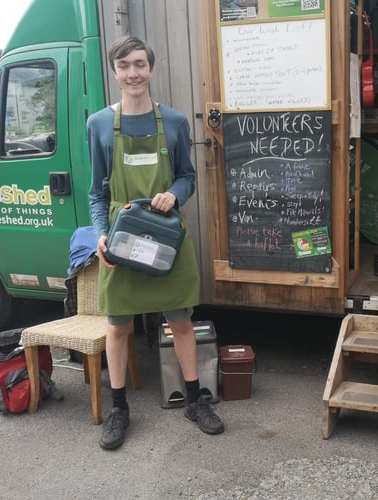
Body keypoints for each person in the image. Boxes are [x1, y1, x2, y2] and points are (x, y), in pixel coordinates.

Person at [87, 35, 224, 450]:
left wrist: (175, 195)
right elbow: (97, 192)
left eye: (140, 64)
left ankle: (194, 400)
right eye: (125, 65)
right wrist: (100, 234)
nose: (133, 73)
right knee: (118, 328)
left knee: (181, 322)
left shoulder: (176, 122)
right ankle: (118, 409)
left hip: (166, 237)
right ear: (114, 71)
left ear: (151, 68)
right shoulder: (98, 124)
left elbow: (188, 176)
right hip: (122, 239)